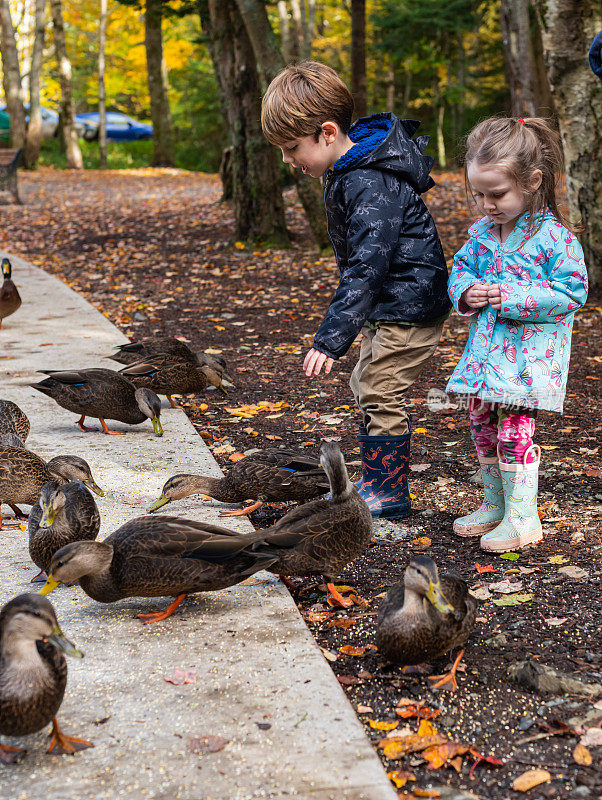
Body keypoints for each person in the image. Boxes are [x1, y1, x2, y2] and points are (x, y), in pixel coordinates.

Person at [261, 62, 451, 519]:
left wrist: (331, 338)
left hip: (410, 304)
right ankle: (377, 480)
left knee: (379, 387)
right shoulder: (351, 170)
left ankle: (387, 492)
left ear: (327, 133)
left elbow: (369, 264)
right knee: (367, 383)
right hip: (392, 305)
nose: (288, 161)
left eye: (292, 148)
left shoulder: (369, 179)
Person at [447, 117, 588, 553]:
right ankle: (496, 505)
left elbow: (571, 291)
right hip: (485, 355)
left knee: (514, 431)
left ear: (532, 182)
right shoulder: (480, 236)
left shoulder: (555, 239)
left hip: (528, 359)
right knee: (481, 422)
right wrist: (466, 292)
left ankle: (523, 517)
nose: (487, 204)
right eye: (479, 194)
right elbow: (460, 269)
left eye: (497, 194)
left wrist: (508, 295)